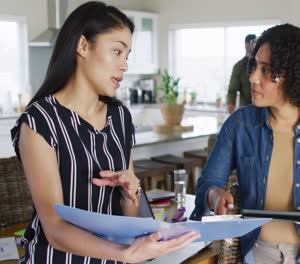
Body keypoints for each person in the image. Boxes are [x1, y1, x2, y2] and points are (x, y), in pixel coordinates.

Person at [11, 2, 199, 263]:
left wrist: (130, 190)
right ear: (83, 46)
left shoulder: (120, 118)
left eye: (127, 55)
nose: (124, 66)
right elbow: (54, 228)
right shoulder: (39, 122)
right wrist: (126, 254)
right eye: (117, 51)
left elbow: (128, 220)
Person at [190, 24, 300, 263]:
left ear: (295, 75)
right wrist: (215, 196)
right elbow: (208, 183)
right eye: (254, 66)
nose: (253, 77)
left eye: (266, 70)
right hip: (258, 253)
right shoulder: (239, 125)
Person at [226, 34, 257, 113]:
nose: (254, 46)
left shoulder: (262, 63)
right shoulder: (239, 66)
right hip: (246, 110)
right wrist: (231, 103)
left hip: (264, 109)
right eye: (251, 43)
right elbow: (232, 90)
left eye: (255, 43)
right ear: (246, 45)